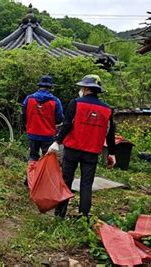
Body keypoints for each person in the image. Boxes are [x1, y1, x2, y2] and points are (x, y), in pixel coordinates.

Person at [48, 74, 116, 218]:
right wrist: (112, 153)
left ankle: (60, 214)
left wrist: (57, 141)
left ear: (85, 88)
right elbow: (110, 133)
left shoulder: (76, 103)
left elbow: (66, 125)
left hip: (73, 149)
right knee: (86, 183)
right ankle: (84, 216)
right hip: (91, 152)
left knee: (66, 180)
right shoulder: (107, 109)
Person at [22, 75, 63, 184]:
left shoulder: (29, 99)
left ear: (39, 86)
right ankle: (44, 182)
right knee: (47, 158)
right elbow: (59, 119)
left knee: (33, 156)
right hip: (48, 135)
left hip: (32, 133)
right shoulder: (55, 101)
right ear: (50, 87)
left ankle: (30, 179)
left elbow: (23, 115)